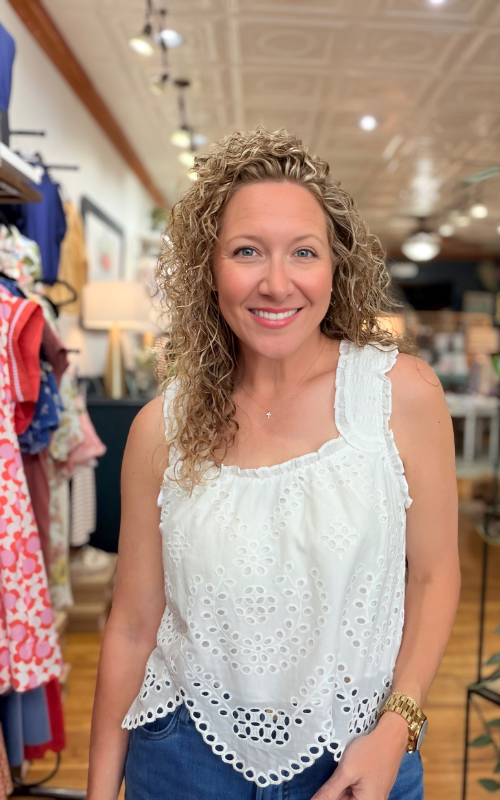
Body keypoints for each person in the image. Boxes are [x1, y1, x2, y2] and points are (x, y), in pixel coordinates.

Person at [86, 128, 460, 800]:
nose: (277, 283)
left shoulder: (398, 394)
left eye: (304, 252)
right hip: (182, 762)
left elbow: (435, 576)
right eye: (247, 251)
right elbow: (134, 626)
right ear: (209, 268)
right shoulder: (160, 428)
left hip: (361, 757)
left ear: (336, 267)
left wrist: (397, 728)